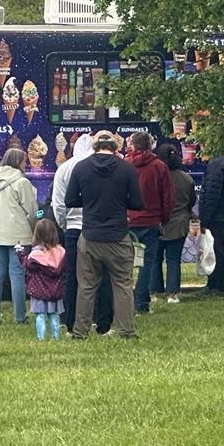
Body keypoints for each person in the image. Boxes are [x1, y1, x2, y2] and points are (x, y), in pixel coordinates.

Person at [65, 130, 144, 339]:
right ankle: (126, 330)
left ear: (94, 147)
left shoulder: (81, 168)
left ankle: (80, 331)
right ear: (115, 149)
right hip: (118, 236)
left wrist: (91, 202)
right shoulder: (126, 169)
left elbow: (70, 200)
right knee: (122, 284)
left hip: (89, 236)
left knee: (87, 286)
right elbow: (137, 203)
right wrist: (118, 202)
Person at [53, 134, 114, 334]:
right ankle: (103, 321)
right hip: (101, 227)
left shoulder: (64, 168)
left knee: (73, 276)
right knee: (103, 274)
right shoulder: (106, 166)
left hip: (73, 227)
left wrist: (65, 225)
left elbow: (59, 204)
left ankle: (70, 321)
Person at [0, 148, 36, 324]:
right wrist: (41, 216)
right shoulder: (22, 183)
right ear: (17, 162)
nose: (25, 164)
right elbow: (32, 211)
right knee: (17, 275)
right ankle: (19, 317)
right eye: (24, 161)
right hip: (18, 236)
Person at [126, 132, 174, 314]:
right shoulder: (159, 167)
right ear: (150, 145)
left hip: (128, 221)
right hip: (151, 221)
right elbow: (168, 196)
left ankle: (124, 302)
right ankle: (141, 303)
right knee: (147, 264)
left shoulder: (125, 164)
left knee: (125, 264)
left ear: (132, 145)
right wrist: (164, 219)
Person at [151, 143, 197, 303]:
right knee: (173, 259)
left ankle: (154, 292)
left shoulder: (155, 177)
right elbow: (192, 200)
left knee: (154, 259)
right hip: (179, 223)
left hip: (157, 223)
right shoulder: (186, 178)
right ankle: (172, 294)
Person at [18, 219, 66, 340]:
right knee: (54, 314)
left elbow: (27, 265)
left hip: (39, 290)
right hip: (56, 290)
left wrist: (20, 254)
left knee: (40, 315)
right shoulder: (61, 252)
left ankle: (41, 338)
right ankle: (55, 337)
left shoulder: (36, 255)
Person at [198, 153, 224, 298]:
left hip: (216, 214)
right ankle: (214, 283)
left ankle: (219, 286)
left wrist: (205, 217)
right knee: (216, 247)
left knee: (215, 249)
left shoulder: (215, 165)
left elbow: (211, 194)